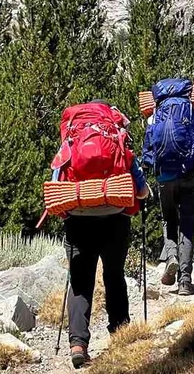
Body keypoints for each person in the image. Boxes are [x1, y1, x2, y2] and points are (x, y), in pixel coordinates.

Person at [49, 101, 150, 370]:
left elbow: (56, 182)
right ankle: (120, 334)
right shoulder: (118, 141)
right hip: (115, 218)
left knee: (80, 282)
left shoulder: (69, 143)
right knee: (114, 276)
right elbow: (140, 192)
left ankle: (78, 344)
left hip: (78, 220)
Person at [141, 78, 194, 296]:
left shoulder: (156, 115)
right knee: (188, 225)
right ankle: (185, 281)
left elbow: (149, 148)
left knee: (169, 220)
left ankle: (171, 256)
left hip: (165, 176)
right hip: (191, 174)